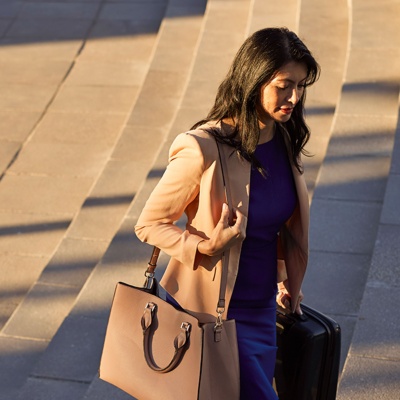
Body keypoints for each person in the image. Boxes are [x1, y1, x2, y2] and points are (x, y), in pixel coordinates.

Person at [135, 27, 320, 399]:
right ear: (254, 79)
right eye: (284, 85)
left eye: (300, 87)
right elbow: (149, 223)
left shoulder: (284, 141)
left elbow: (277, 230)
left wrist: (285, 280)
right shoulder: (202, 148)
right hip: (211, 314)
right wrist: (204, 245)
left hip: (264, 311)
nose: (294, 98)